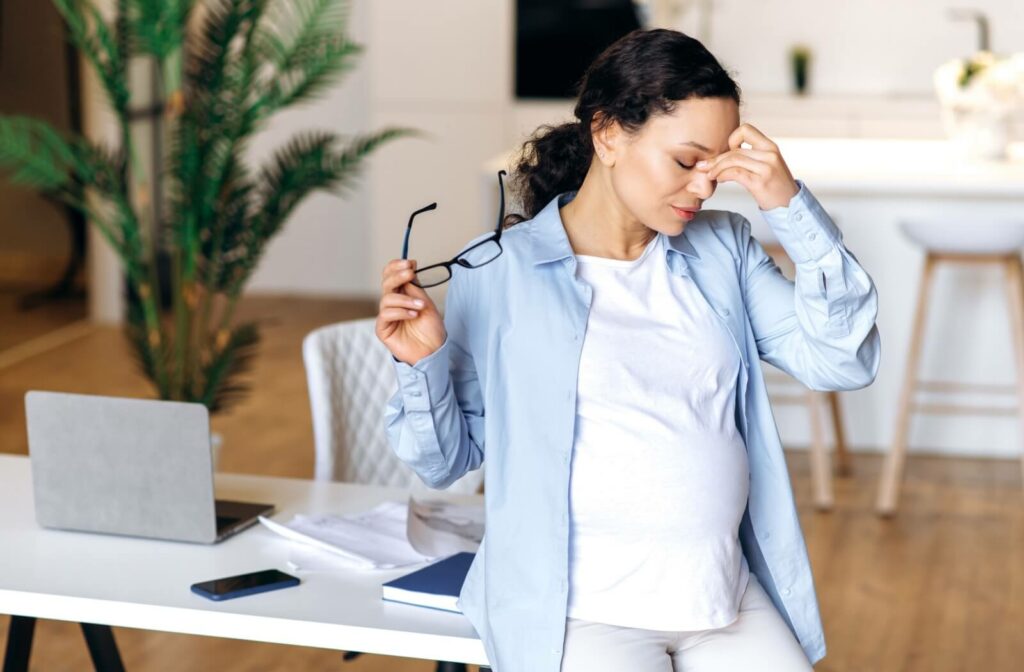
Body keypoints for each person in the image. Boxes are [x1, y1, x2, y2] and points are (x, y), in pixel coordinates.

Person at [377, 28, 880, 672]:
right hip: (580, 612)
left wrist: (789, 205)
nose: (703, 188)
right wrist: (421, 365)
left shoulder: (723, 249)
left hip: (722, 601)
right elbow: (443, 462)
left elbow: (843, 359)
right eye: (685, 161)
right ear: (609, 133)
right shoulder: (496, 272)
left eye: (717, 165)